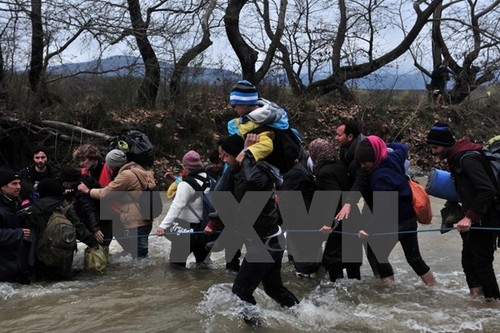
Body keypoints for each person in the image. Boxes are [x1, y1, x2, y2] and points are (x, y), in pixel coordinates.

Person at [219, 134, 299, 323]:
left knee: (240, 292)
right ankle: (302, 316)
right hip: (271, 240)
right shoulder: (242, 172)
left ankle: (257, 328)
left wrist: (246, 155)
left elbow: (253, 183)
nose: (223, 160)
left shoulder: (257, 171)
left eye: (225, 156)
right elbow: (221, 195)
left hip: (265, 243)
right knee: (273, 289)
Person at [426, 122, 500, 300]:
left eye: (435, 147)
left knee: (482, 264)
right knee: (468, 260)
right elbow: (467, 189)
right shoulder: (457, 157)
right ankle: (476, 298)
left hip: (486, 217)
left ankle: (493, 307)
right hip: (476, 218)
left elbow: (487, 190)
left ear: (446, 145)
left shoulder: (467, 159)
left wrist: (469, 217)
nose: (433, 152)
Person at [353, 135, 436, 286]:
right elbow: (403, 147)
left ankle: (389, 290)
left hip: (394, 221)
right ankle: (435, 287)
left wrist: (368, 228)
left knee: (378, 254)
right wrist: (383, 145)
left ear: (374, 158)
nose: (363, 166)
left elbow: (383, 208)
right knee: (414, 258)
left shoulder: (379, 177)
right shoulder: (393, 157)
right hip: (409, 217)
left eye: (365, 162)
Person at [78, 149, 156, 259]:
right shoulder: (137, 169)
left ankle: (143, 274)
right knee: (139, 253)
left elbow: (106, 194)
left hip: (135, 220)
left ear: (114, 165)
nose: (107, 167)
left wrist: (88, 191)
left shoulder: (126, 176)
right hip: (144, 217)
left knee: (139, 258)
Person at [28, 178, 99, 281]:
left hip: (41, 259)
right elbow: (79, 228)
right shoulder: (64, 206)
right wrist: (93, 243)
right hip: (63, 257)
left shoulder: (34, 209)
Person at [334, 119, 379, 277]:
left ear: (350, 136)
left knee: (370, 243)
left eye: (339, 135)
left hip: (366, 201)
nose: (336, 137)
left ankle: (381, 278)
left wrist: (348, 203)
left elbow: (360, 181)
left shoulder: (361, 152)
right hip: (357, 199)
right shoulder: (345, 149)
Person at [308, 139, 355, 282]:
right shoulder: (340, 164)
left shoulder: (324, 172)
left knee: (332, 257)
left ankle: (337, 286)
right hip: (351, 214)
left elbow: (333, 197)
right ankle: (353, 281)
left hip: (339, 218)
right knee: (348, 254)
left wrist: (329, 223)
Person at [156, 150, 212, 268]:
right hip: (204, 230)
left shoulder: (185, 184)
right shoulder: (209, 179)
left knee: (176, 268)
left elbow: (177, 205)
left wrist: (163, 226)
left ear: (185, 167)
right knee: (203, 267)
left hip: (185, 230)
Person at [227, 80, 291, 164]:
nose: (234, 109)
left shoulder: (257, 125)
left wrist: (246, 152)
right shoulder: (269, 113)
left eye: (234, 105)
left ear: (245, 104)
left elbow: (267, 145)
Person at [281, 148, 317, 278]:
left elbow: (285, 203)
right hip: (307, 220)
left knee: (304, 263)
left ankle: (305, 284)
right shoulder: (300, 170)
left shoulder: (292, 175)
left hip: (301, 222)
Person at [72, 144, 114, 247]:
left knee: (105, 244)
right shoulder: (83, 173)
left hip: (109, 212)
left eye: (83, 160)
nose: (81, 164)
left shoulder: (110, 168)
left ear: (93, 157)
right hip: (94, 213)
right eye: (79, 161)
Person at [0, 166, 31, 284]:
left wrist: (23, 215)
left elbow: (8, 219)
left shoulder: (11, 202)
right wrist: (18, 233)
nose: (18, 187)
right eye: (14, 184)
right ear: (2, 187)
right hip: (5, 271)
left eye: (19, 183)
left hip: (15, 265)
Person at [59, 166, 104, 245]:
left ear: (68, 182)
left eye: (64, 182)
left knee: (99, 246)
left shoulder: (81, 190)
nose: (63, 184)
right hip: (98, 219)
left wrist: (95, 229)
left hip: (99, 222)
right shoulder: (78, 185)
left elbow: (90, 209)